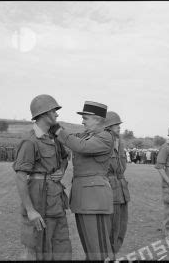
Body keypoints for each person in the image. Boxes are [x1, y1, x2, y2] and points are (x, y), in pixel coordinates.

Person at [49, 101, 114, 260]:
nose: (82, 121)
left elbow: (80, 146)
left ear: (98, 119)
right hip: (84, 199)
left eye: (85, 118)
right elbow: (70, 139)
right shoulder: (86, 135)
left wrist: (57, 129)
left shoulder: (105, 137)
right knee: (90, 247)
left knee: (98, 250)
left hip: (94, 201)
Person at [12, 94, 72, 260]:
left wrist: (61, 169)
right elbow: (20, 177)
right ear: (45, 113)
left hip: (56, 201)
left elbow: (65, 157)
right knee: (37, 249)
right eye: (54, 110)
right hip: (38, 201)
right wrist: (31, 211)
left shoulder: (55, 139)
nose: (57, 114)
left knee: (61, 247)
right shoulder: (30, 141)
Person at [104, 111, 130, 257]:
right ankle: (109, 255)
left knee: (121, 226)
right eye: (116, 125)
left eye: (119, 125)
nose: (119, 127)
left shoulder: (120, 142)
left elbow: (123, 165)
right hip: (110, 188)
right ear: (108, 127)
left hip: (121, 188)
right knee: (111, 226)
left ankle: (114, 252)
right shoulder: (104, 143)